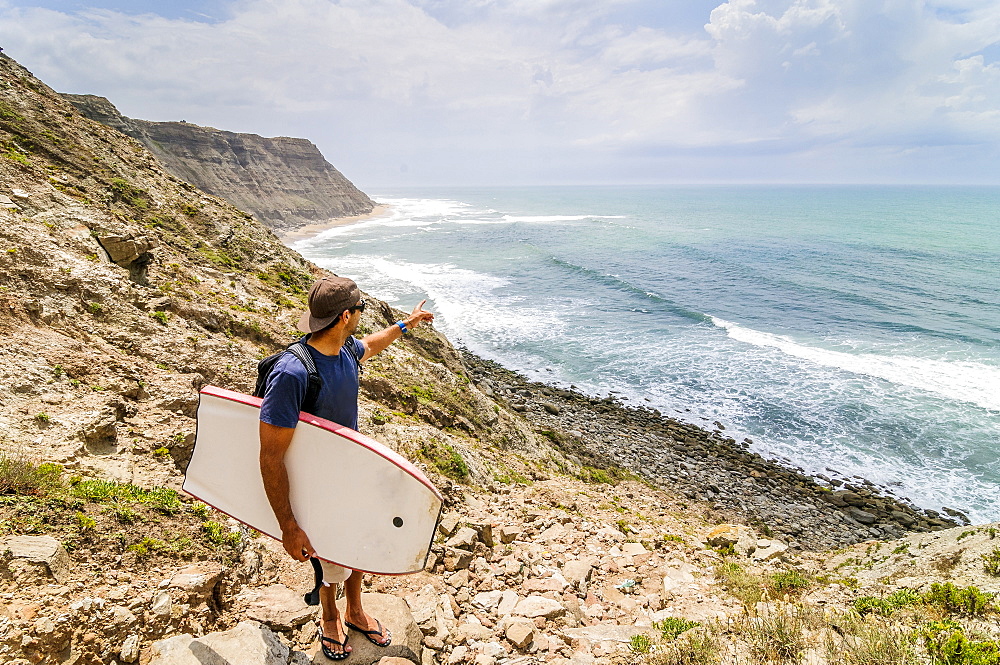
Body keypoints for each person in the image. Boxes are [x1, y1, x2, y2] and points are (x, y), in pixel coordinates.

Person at [259, 275, 434, 660]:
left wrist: (407, 323)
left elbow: (371, 344)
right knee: (327, 551)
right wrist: (289, 526)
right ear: (344, 316)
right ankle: (329, 616)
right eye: (360, 311)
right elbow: (270, 455)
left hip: (350, 471)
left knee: (358, 541)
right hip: (315, 483)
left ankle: (355, 609)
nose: (361, 318)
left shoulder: (345, 349)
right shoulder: (293, 373)